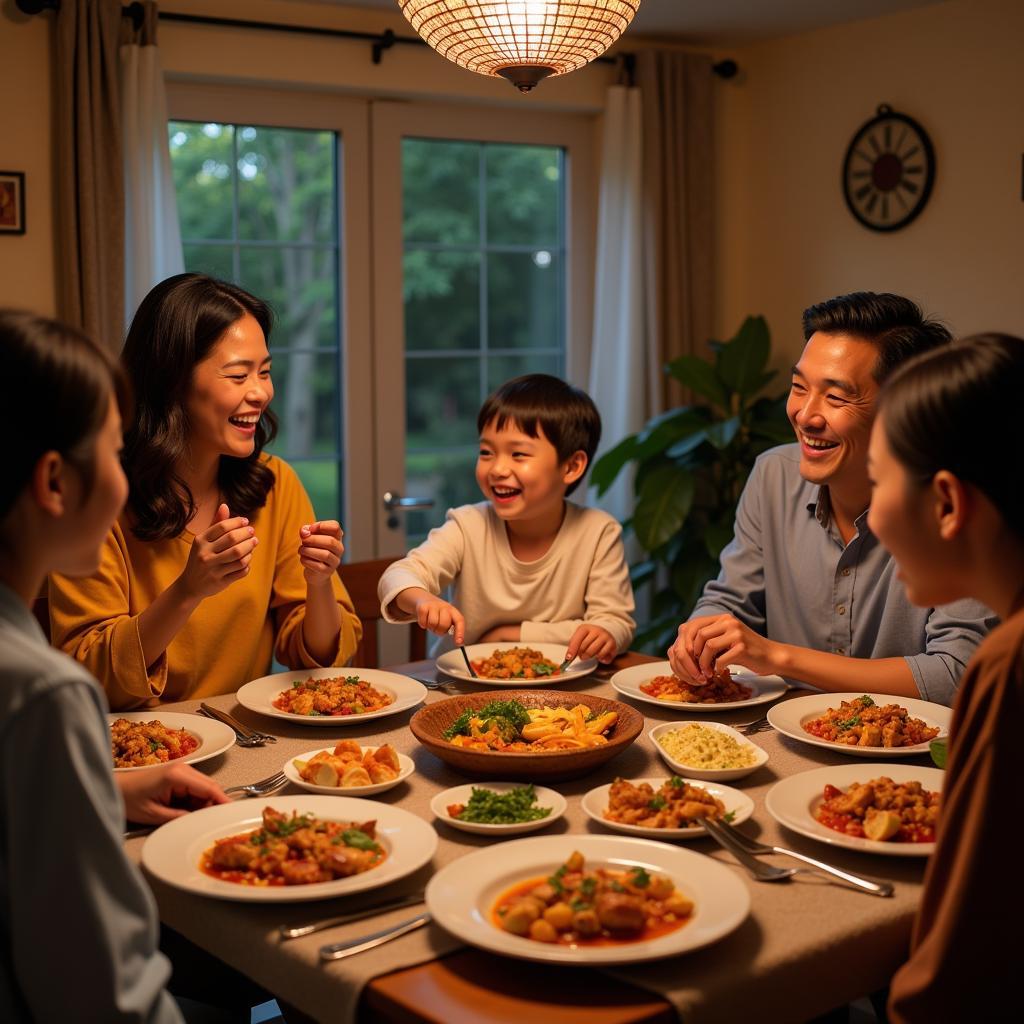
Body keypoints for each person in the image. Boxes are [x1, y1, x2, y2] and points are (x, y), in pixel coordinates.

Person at [0, 309, 227, 1022]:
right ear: (55, 483)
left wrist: (106, 788)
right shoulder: (41, 691)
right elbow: (104, 992)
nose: (126, 481)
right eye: (111, 451)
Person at [48, 274, 362, 709]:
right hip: (139, 755)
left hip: (248, 743)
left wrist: (320, 583)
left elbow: (320, 661)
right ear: (172, 381)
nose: (261, 393)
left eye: (265, 372)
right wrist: (187, 590)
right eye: (238, 375)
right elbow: (86, 677)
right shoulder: (94, 500)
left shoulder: (275, 483)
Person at [668, 292, 993, 704]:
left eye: (836, 397)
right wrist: (701, 637)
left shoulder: (952, 505)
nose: (805, 415)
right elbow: (731, 601)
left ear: (904, 410)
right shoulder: (773, 474)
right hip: (781, 738)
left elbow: (958, 673)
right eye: (799, 387)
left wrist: (779, 656)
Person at [863, 333, 1022, 1020]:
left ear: (948, 503)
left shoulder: (1009, 661)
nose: (870, 513)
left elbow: (966, 959)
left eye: (876, 480)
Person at [378, 374, 635, 663]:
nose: (498, 468)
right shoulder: (468, 526)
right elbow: (397, 576)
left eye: (518, 454)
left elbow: (615, 623)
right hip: (463, 688)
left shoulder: (598, 532)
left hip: (562, 694)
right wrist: (422, 599)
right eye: (486, 452)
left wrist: (510, 634)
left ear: (572, 466)